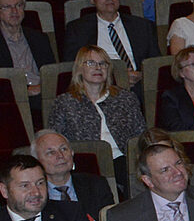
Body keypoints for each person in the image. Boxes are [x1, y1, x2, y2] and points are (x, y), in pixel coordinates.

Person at [48, 45, 147, 191]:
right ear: (80, 69)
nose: (98, 68)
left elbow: (140, 134)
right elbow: (56, 140)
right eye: (90, 63)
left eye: (103, 64)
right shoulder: (64, 102)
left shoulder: (125, 98)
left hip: (123, 160)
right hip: (85, 161)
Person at [29, 130, 115, 221]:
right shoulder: (33, 193)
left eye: (63, 149)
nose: (60, 156)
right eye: (51, 152)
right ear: (36, 161)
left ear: (72, 153)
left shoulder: (96, 184)